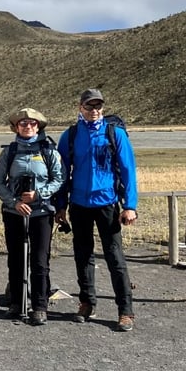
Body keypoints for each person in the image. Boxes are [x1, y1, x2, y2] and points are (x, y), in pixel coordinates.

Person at [55, 89, 138, 331]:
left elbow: (128, 171)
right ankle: (86, 303)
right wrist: (60, 206)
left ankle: (125, 310)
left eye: (98, 106)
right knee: (83, 256)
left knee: (115, 258)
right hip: (79, 205)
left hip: (107, 204)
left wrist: (130, 206)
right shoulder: (70, 136)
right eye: (89, 107)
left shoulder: (115, 134)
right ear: (80, 108)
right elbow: (61, 175)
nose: (94, 111)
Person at [0, 108, 64, 326]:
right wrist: (14, 202)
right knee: (15, 259)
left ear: (38, 126)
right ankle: (16, 303)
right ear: (16, 127)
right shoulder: (10, 151)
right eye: (22, 123)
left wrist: (38, 195)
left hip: (41, 213)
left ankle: (40, 306)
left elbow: (59, 178)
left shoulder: (48, 150)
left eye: (32, 123)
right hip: (15, 213)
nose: (27, 126)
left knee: (40, 261)